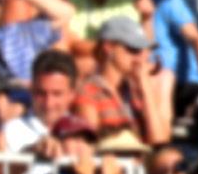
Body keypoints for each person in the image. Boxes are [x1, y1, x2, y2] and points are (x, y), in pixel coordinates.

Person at [72, 13, 175, 149]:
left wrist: (146, 87)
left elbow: (159, 142)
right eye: (134, 50)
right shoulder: (88, 92)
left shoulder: (137, 91)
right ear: (109, 47)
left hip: (143, 160)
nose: (142, 58)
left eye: (145, 51)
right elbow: (89, 145)